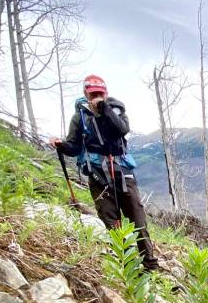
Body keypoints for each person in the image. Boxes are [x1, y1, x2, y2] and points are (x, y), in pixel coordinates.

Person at [52, 74, 159, 270]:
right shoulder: (80, 117)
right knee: (110, 221)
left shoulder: (117, 111)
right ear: (86, 94)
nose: (96, 98)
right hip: (97, 176)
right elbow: (74, 147)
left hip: (123, 172)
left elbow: (122, 130)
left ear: (106, 92)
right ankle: (126, 265)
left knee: (138, 219)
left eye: (100, 93)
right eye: (93, 94)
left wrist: (105, 109)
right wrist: (62, 145)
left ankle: (150, 265)